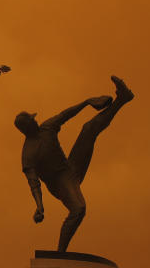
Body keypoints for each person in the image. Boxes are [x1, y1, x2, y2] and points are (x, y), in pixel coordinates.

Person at [15, 76, 134, 252]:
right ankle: (61, 252)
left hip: (71, 167)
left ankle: (122, 99)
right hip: (60, 183)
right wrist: (39, 207)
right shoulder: (28, 154)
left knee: (88, 129)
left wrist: (87, 102)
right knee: (79, 209)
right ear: (29, 127)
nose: (37, 121)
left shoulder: (46, 128)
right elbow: (34, 184)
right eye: (33, 120)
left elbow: (65, 115)